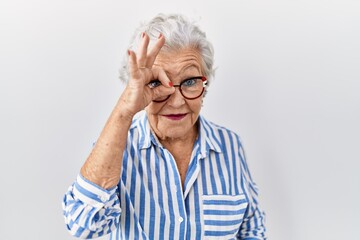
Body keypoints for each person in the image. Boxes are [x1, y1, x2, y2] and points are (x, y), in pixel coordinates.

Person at [62, 13, 266, 240]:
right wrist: (125, 109)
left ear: (204, 82)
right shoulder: (115, 150)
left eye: (190, 82)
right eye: (156, 83)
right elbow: (83, 226)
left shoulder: (230, 145)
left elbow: (251, 230)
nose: (177, 101)